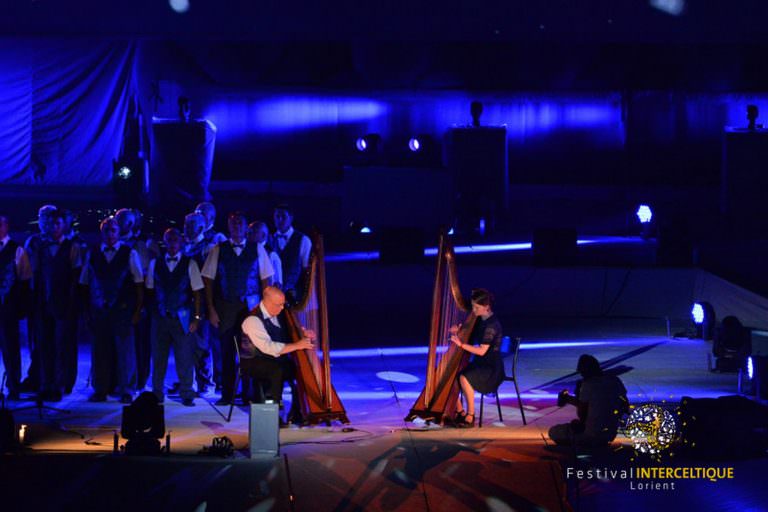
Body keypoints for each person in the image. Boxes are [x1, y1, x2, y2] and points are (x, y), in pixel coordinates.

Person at [202, 211, 274, 406]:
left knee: (250, 352)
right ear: (228, 226)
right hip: (225, 307)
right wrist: (211, 309)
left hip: (250, 307)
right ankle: (227, 395)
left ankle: (250, 395)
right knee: (226, 353)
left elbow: (266, 280)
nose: (236, 227)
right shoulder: (218, 249)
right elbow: (207, 280)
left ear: (245, 227)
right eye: (233, 224)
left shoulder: (257, 249)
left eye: (240, 224)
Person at [79, 217, 144, 403]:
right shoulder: (92, 253)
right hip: (99, 310)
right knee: (100, 351)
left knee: (126, 352)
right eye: (106, 230)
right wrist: (86, 310)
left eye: (113, 230)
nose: (110, 234)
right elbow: (84, 283)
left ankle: (127, 389)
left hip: (123, 310)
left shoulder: (129, 253)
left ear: (118, 232)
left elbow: (139, 283)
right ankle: (101, 388)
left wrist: (138, 309)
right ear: (102, 233)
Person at [145, 228, 202, 406]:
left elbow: (198, 292)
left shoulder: (190, 263)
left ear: (181, 242)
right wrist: (153, 312)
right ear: (164, 242)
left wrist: (197, 317)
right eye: (169, 240)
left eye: (175, 240)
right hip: (161, 316)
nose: (172, 244)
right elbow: (149, 291)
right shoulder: (155, 263)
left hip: (183, 315)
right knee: (159, 356)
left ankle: (187, 392)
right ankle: (157, 393)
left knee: (184, 356)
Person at [240, 286, 314, 422]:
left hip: (275, 359)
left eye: (283, 304)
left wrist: (304, 334)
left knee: (298, 369)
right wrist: (296, 345)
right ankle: (272, 415)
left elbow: (287, 334)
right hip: (254, 360)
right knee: (276, 371)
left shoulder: (281, 314)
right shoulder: (253, 320)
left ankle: (297, 411)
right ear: (267, 302)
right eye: (278, 305)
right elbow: (268, 347)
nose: (282, 308)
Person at [32, 209, 82, 401]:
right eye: (52, 224)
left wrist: (72, 304)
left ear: (64, 226)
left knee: (63, 346)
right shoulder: (42, 247)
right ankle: (46, 383)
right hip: (44, 303)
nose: (54, 227)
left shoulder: (72, 247)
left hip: (64, 304)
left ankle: (61, 384)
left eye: (58, 224)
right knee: (45, 345)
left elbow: (75, 278)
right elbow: (37, 276)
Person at [449, 288, 504, 428]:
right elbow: (471, 331)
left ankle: (470, 415)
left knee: (464, 377)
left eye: (476, 307)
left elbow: (481, 351)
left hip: (491, 368)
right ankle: (460, 412)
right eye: (473, 306)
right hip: (481, 363)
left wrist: (461, 344)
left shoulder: (492, 325)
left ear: (486, 307)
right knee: (452, 376)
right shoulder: (481, 319)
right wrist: (459, 329)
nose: (473, 310)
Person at [548, 354, 629, 448]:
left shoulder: (588, 384)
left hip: (591, 435)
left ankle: (578, 448)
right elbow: (623, 404)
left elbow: (582, 414)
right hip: (610, 433)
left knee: (553, 432)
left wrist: (577, 423)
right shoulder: (615, 380)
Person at [20, 204, 57, 393]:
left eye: (49, 218)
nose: (46, 222)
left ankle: (52, 380)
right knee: (38, 339)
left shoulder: (61, 242)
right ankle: (36, 377)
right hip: (37, 297)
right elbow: (26, 270)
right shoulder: (33, 241)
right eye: (43, 217)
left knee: (53, 341)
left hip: (55, 299)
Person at [183, 212, 217, 394]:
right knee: (185, 343)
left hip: (202, 302)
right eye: (186, 224)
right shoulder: (183, 247)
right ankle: (188, 380)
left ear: (201, 227)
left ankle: (205, 382)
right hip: (183, 301)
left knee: (202, 344)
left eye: (191, 225)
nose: (186, 228)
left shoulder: (208, 248)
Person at [0, 215, 33, 401]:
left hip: (9, 308)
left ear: (6, 226)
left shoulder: (17, 250)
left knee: (11, 349)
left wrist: (21, 308)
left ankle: (14, 386)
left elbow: (24, 280)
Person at [270, 204, 311, 305]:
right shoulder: (269, 239)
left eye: (283, 216)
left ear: (291, 218)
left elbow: (306, 271)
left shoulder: (303, 240)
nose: (280, 220)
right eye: (277, 217)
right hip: (272, 296)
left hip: (295, 295)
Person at [248, 220, 282, 289]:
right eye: (248, 232)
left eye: (253, 232)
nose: (248, 234)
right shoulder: (246, 252)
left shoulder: (272, 255)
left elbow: (277, 284)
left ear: (263, 235)